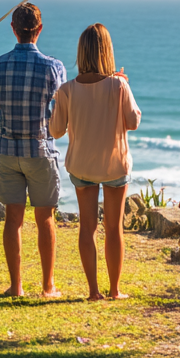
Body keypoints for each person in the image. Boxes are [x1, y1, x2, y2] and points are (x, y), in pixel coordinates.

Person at [0, 3, 66, 298]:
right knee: (45, 219)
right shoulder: (54, 67)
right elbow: (59, 115)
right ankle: (47, 286)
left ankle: (16, 286)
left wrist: (0, 127)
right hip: (40, 151)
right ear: (39, 29)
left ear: (14, 29)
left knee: (13, 219)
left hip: (7, 150)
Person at [50, 23, 141, 301]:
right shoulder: (119, 84)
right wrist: (123, 87)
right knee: (114, 228)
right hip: (114, 164)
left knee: (87, 227)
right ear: (107, 51)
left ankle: (93, 292)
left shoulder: (66, 90)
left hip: (82, 166)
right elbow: (133, 122)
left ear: (82, 53)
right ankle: (114, 290)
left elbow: (55, 131)